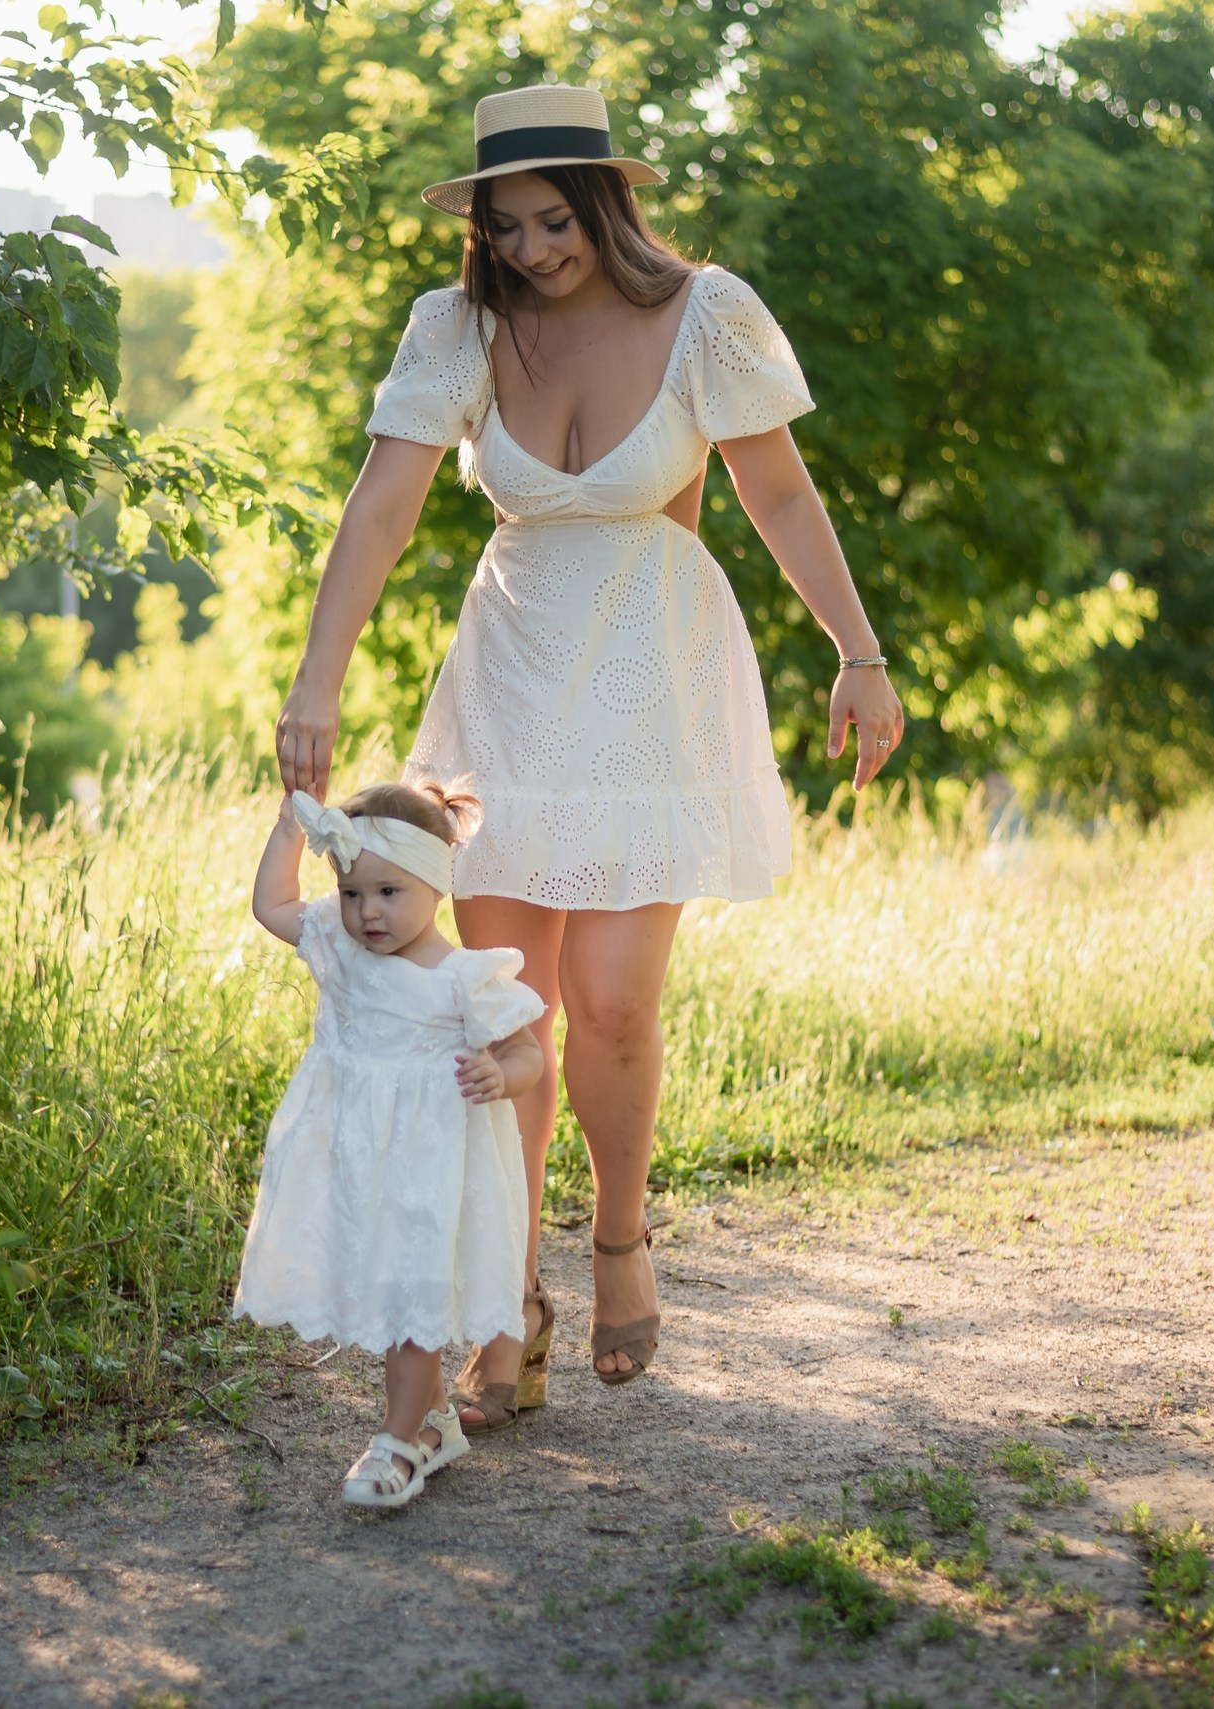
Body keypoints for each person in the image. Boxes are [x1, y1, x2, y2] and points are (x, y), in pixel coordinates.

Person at [272, 84, 905, 1428]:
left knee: (612, 996)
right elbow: (381, 502)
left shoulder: (705, 313)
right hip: (507, 682)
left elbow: (776, 488)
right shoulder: (458, 326)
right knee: (504, 1013)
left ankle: (619, 1244)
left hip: (652, 680)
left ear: (606, 201)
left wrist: (859, 651)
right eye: (506, 228)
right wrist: (315, 684)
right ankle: (508, 1302)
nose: (534, 249)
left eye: (554, 220)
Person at [235, 781, 550, 1508]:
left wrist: (499, 1073)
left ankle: (398, 1439)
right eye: (351, 893)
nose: (366, 912)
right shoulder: (339, 949)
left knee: (412, 1297)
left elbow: (528, 1053)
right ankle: (437, 1424)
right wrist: (292, 825)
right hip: (354, 1165)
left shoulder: (464, 978)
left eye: (387, 892)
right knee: (387, 1289)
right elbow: (271, 904)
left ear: (435, 887)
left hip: (428, 1170)